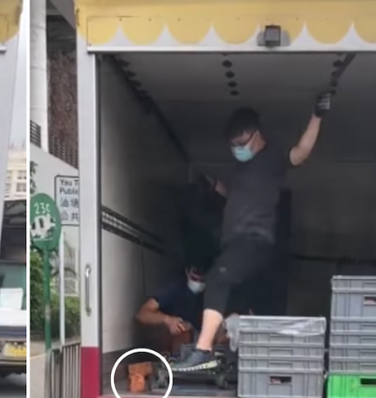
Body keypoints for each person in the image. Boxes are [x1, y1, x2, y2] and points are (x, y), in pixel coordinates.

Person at [177, 92, 333, 371]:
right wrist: (213, 184)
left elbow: (301, 152)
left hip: (254, 240)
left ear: (256, 135)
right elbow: (233, 193)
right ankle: (237, 357)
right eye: (233, 145)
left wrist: (316, 117)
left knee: (217, 281)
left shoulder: (272, 159)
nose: (237, 149)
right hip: (235, 243)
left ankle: (203, 351)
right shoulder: (239, 168)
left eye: (241, 143)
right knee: (233, 297)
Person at [135, 265, 207, 358]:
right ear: (187, 273)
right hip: (177, 340)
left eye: (202, 280)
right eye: (194, 279)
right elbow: (142, 314)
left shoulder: (212, 291)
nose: (198, 283)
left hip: (201, 340)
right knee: (180, 329)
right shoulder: (175, 288)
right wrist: (168, 320)